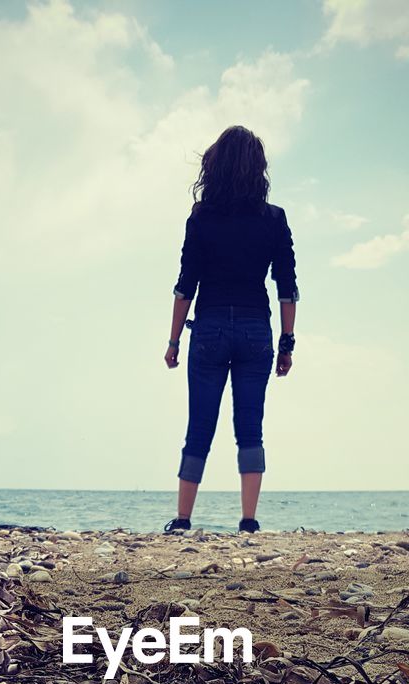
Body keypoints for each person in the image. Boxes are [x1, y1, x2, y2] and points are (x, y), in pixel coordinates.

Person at [163, 124, 298, 535]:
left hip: (209, 329)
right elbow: (287, 288)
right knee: (250, 427)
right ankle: (249, 521)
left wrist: (173, 341)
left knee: (199, 426)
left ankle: (184, 519)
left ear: (215, 166)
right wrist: (286, 343)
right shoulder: (274, 219)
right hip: (257, 330)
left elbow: (187, 283)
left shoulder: (201, 217)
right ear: (258, 169)